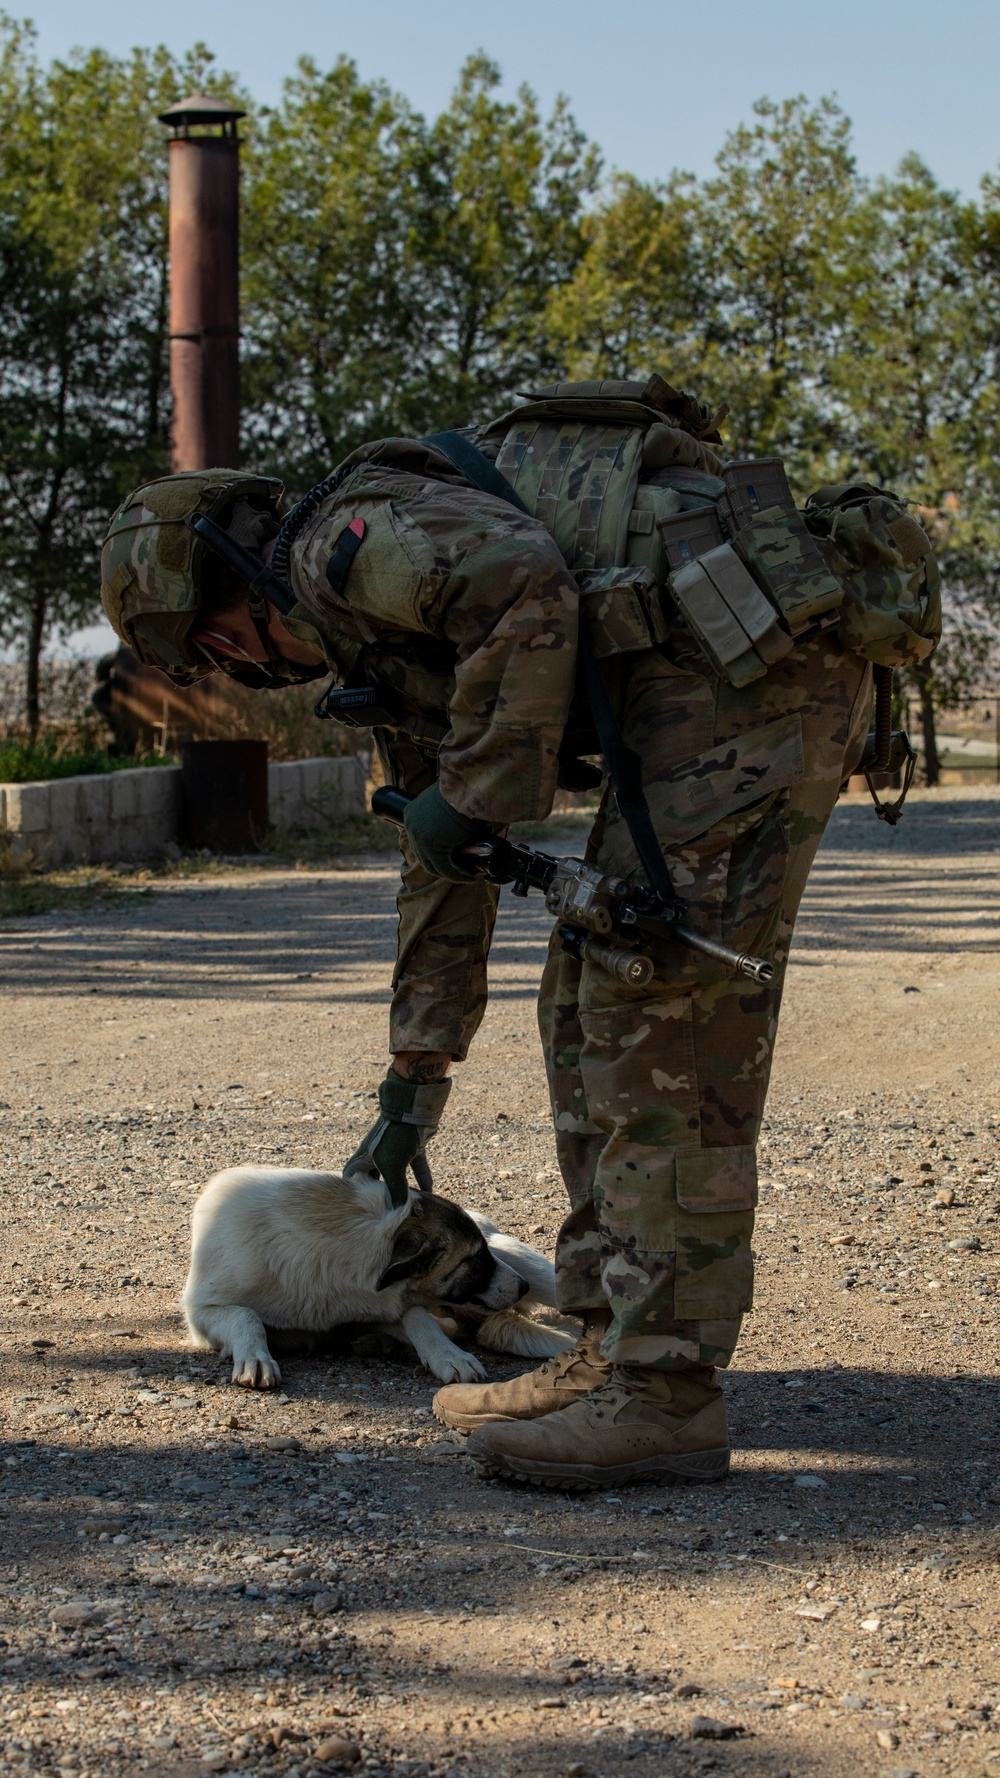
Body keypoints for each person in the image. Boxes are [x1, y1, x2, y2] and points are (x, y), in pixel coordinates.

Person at [99, 377, 940, 1490]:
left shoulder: (343, 553)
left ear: (220, 607)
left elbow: (524, 580)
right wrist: (416, 1071)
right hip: (697, 692)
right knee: (583, 1004)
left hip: (747, 685)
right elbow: (439, 864)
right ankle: (605, 1351)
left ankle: (663, 1392)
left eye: (211, 650)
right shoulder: (379, 636)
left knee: (657, 1025)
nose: (240, 671)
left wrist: (483, 790)